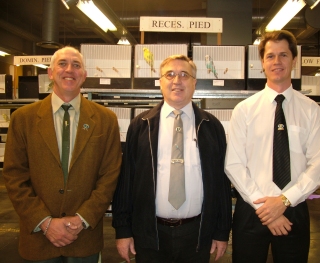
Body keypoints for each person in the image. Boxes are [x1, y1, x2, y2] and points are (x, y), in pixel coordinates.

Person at [3, 46, 122, 263]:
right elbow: (14, 176)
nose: (70, 70)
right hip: (38, 238)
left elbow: (110, 176)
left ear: (84, 76)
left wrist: (82, 218)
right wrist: (45, 222)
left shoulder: (106, 120)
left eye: (76, 65)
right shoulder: (23, 119)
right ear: (50, 73)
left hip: (84, 236)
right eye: (62, 64)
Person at [112, 55, 232, 263]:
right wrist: (123, 230)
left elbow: (221, 183)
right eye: (170, 74)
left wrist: (222, 232)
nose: (177, 80)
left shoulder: (211, 126)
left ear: (194, 83)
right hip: (150, 233)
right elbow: (126, 180)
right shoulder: (141, 126)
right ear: (161, 82)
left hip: (197, 233)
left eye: (184, 75)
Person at [224, 30, 320, 263]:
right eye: (270, 56)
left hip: (294, 209)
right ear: (262, 62)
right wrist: (266, 209)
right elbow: (234, 164)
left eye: (283, 55)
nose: (277, 61)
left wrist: (283, 201)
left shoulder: (310, 110)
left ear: (294, 60)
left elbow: (319, 165)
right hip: (252, 210)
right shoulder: (245, 109)